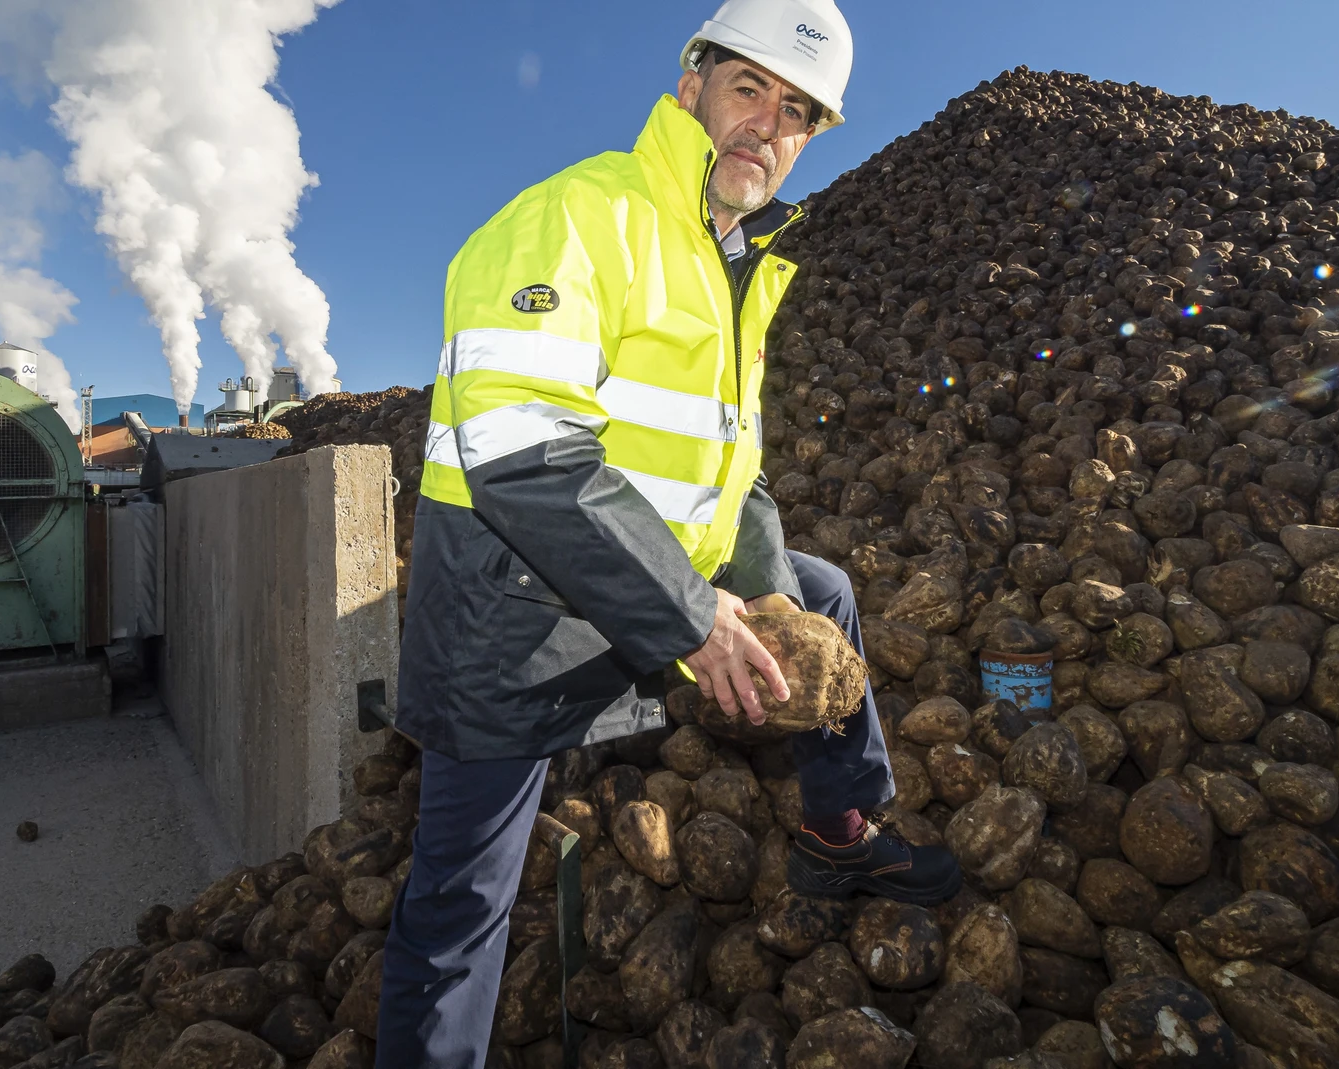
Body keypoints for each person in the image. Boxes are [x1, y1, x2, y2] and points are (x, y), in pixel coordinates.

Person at [375, 2, 959, 1064]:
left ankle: (837, 832)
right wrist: (694, 619)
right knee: (461, 906)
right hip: (513, 622)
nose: (766, 128)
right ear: (689, 85)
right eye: (748, 90)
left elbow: (731, 471)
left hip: (639, 605)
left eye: (797, 113)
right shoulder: (578, 217)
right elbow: (521, 452)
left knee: (817, 595)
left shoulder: (737, 266)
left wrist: (763, 592)